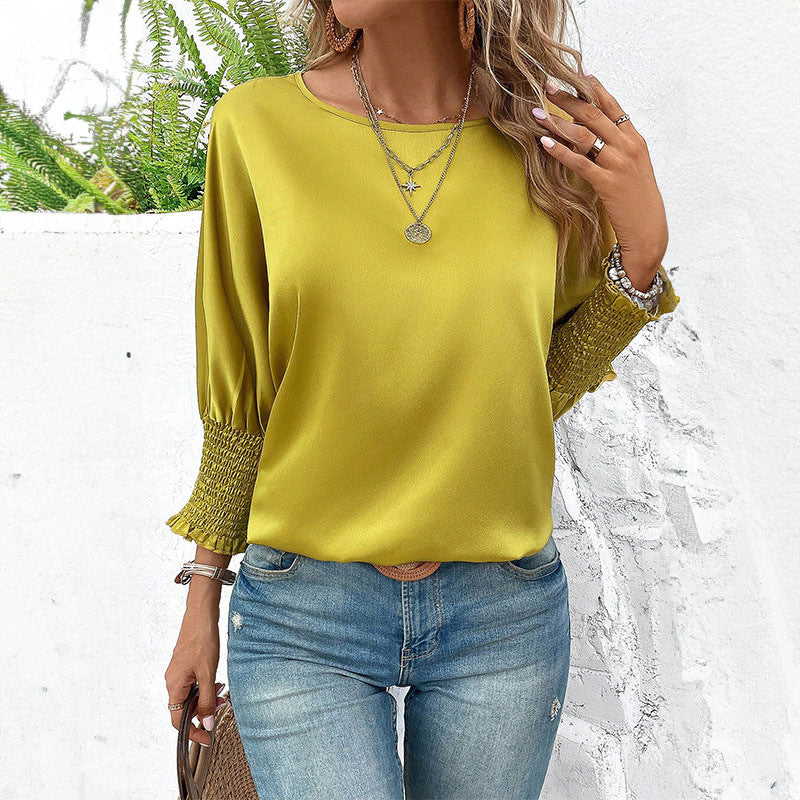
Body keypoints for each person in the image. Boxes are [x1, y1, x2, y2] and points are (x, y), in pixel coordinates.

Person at [164, 1, 680, 797]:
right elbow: (244, 394)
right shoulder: (257, 126)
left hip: (501, 615)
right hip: (306, 612)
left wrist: (641, 254)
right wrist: (201, 595)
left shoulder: (544, 144)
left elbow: (528, 387)